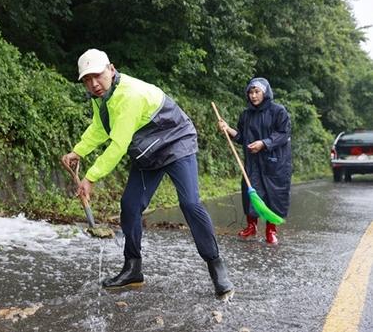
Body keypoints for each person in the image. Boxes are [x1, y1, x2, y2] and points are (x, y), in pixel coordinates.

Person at [62, 48, 234, 298]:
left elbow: (119, 144)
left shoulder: (129, 95)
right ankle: (133, 268)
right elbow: (100, 128)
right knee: (130, 205)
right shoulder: (102, 98)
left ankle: (216, 265)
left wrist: (90, 177)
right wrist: (78, 151)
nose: (94, 84)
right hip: (148, 152)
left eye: (97, 76)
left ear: (111, 69)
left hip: (176, 143)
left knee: (190, 203)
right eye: (87, 80)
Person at [217, 77, 292, 245]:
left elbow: (283, 133)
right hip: (253, 162)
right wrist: (227, 129)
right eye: (250, 92)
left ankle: (271, 230)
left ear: (265, 93)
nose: (253, 95)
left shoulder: (278, 111)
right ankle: (252, 226)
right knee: (251, 192)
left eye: (257, 91)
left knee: (273, 195)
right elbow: (242, 138)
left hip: (275, 162)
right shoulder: (246, 115)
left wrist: (264, 143)